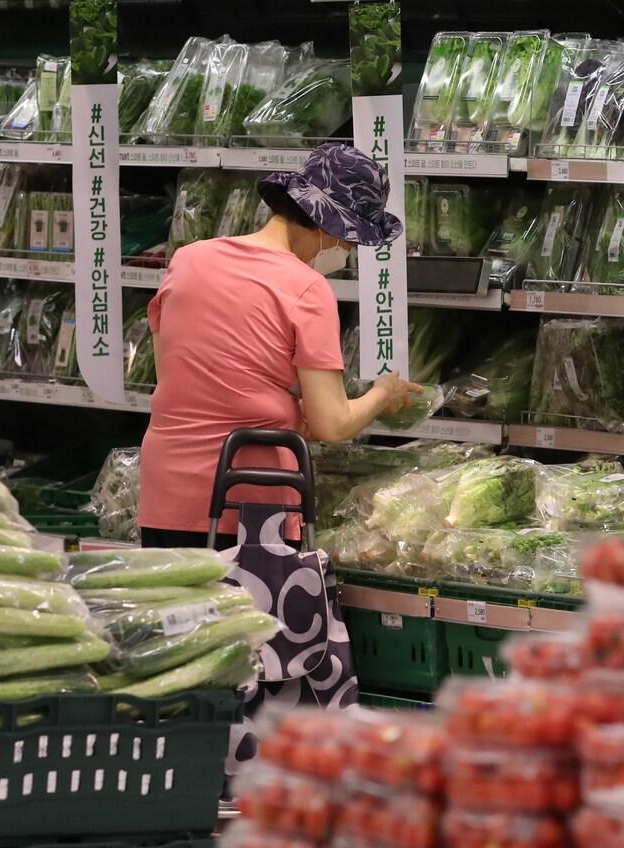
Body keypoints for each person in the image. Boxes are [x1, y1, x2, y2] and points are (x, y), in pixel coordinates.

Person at [138, 143, 420, 549]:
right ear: (329, 227)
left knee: (180, 612)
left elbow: (178, 378)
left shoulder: (188, 260)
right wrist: (381, 394)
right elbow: (333, 423)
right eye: (349, 242)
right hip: (248, 495)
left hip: (165, 489)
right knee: (244, 612)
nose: (346, 252)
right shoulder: (307, 288)